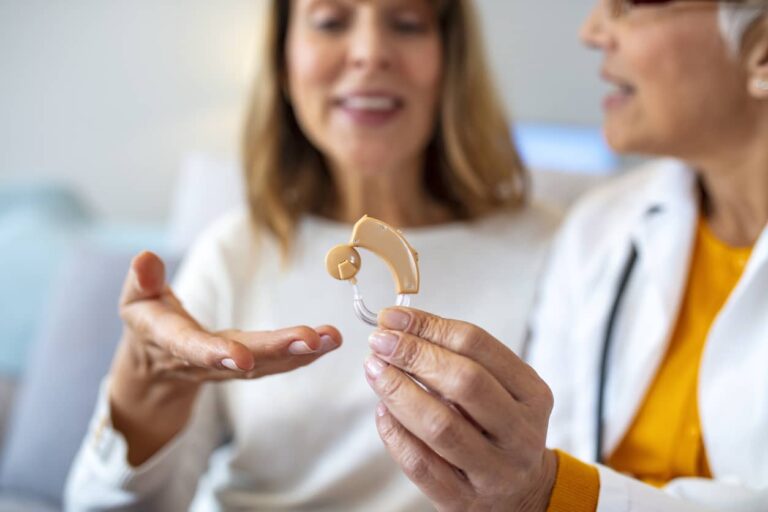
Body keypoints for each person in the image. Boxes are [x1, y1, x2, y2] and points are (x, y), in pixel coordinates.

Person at [65, 0, 558, 510]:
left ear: (450, 57)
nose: (369, 53)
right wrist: (145, 393)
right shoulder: (236, 250)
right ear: (283, 61)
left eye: (408, 23)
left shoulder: (561, 248)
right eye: (329, 22)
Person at [360, 1, 768, 510]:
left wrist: (547, 492)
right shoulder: (600, 228)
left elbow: (552, 483)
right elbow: (557, 451)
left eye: (634, 5)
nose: (592, 31)